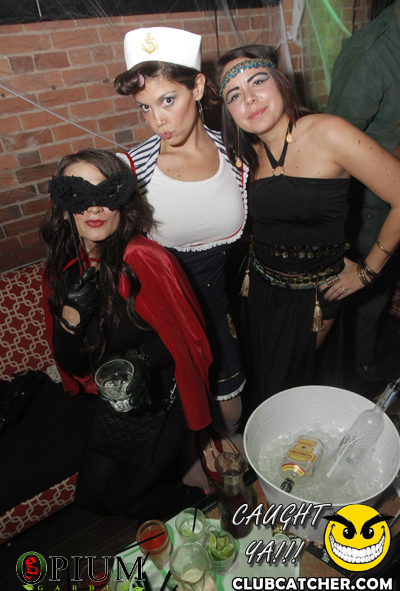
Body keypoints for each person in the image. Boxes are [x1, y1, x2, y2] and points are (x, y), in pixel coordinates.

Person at [216, 44, 400, 414]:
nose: (249, 99)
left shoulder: (328, 132)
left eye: (257, 81)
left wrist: (368, 271)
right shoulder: (244, 155)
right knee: (259, 380)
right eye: (234, 95)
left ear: (280, 81)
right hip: (257, 288)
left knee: (285, 390)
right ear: (229, 111)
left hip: (315, 296)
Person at [40, 149, 213, 520]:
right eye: (78, 195)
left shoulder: (144, 258)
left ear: (122, 201)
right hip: (117, 401)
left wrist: (139, 360)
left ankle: (196, 503)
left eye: (105, 193)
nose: (94, 207)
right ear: (64, 208)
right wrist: (71, 321)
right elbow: (72, 365)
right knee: (89, 498)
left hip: (165, 398)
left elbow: (186, 339)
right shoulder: (61, 270)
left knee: (120, 500)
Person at [114, 27, 248, 451]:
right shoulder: (133, 168)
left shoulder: (238, 154)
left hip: (223, 306)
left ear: (199, 87)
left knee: (231, 412)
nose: (157, 121)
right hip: (162, 315)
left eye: (168, 100)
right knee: (177, 424)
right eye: (145, 107)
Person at [326, 0, 400, 384]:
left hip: (392, 200)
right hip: (370, 204)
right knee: (367, 294)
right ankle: (357, 374)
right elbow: (334, 143)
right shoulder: (370, 52)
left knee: (382, 286)